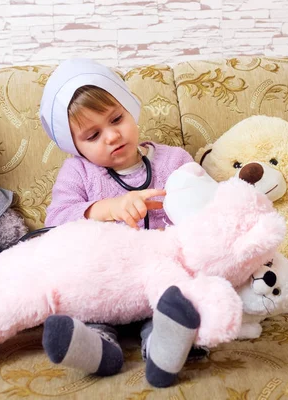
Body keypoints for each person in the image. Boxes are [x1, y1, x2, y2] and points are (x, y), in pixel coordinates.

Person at [39, 58, 204, 388]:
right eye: (93, 134)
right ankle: (97, 347)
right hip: (105, 285)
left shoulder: (175, 161)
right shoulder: (79, 172)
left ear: (130, 109)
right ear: (75, 146)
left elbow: (203, 213)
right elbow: (55, 220)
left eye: (117, 119)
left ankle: (163, 344)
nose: (113, 135)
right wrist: (106, 208)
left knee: (170, 306)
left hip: (158, 280)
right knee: (88, 310)